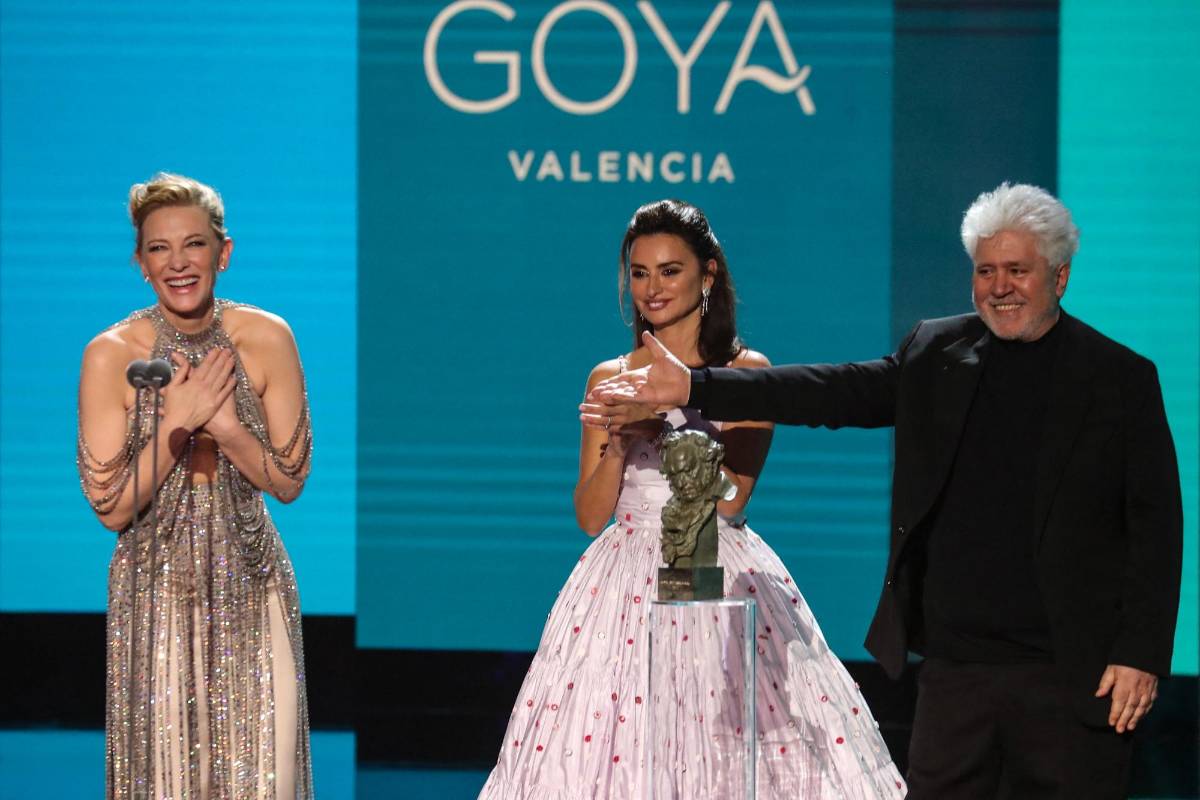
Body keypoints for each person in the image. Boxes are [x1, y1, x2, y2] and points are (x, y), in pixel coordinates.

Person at [588, 183, 1183, 799]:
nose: (999, 286)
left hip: (1071, 674)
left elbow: (1156, 528)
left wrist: (1139, 653)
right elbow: (827, 390)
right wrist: (696, 387)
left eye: (1017, 271)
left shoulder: (1119, 379)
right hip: (956, 670)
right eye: (985, 270)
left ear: (1059, 278)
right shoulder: (938, 351)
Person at [479, 200, 906, 799]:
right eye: (639, 272)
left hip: (719, 579)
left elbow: (731, 501)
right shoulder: (607, 377)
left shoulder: (746, 372)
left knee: (724, 753)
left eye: (670, 271)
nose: (652, 289)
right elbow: (589, 515)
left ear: (707, 275)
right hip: (619, 588)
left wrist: (668, 420)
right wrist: (620, 444)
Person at [77, 173, 315, 799]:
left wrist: (229, 428)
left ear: (223, 252)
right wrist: (178, 423)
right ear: (140, 263)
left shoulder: (268, 338)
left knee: (268, 779)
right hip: (155, 586)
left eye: (194, 245)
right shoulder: (111, 353)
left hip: (253, 576)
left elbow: (288, 481)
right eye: (159, 248)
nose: (178, 263)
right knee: (170, 782)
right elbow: (112, 507)